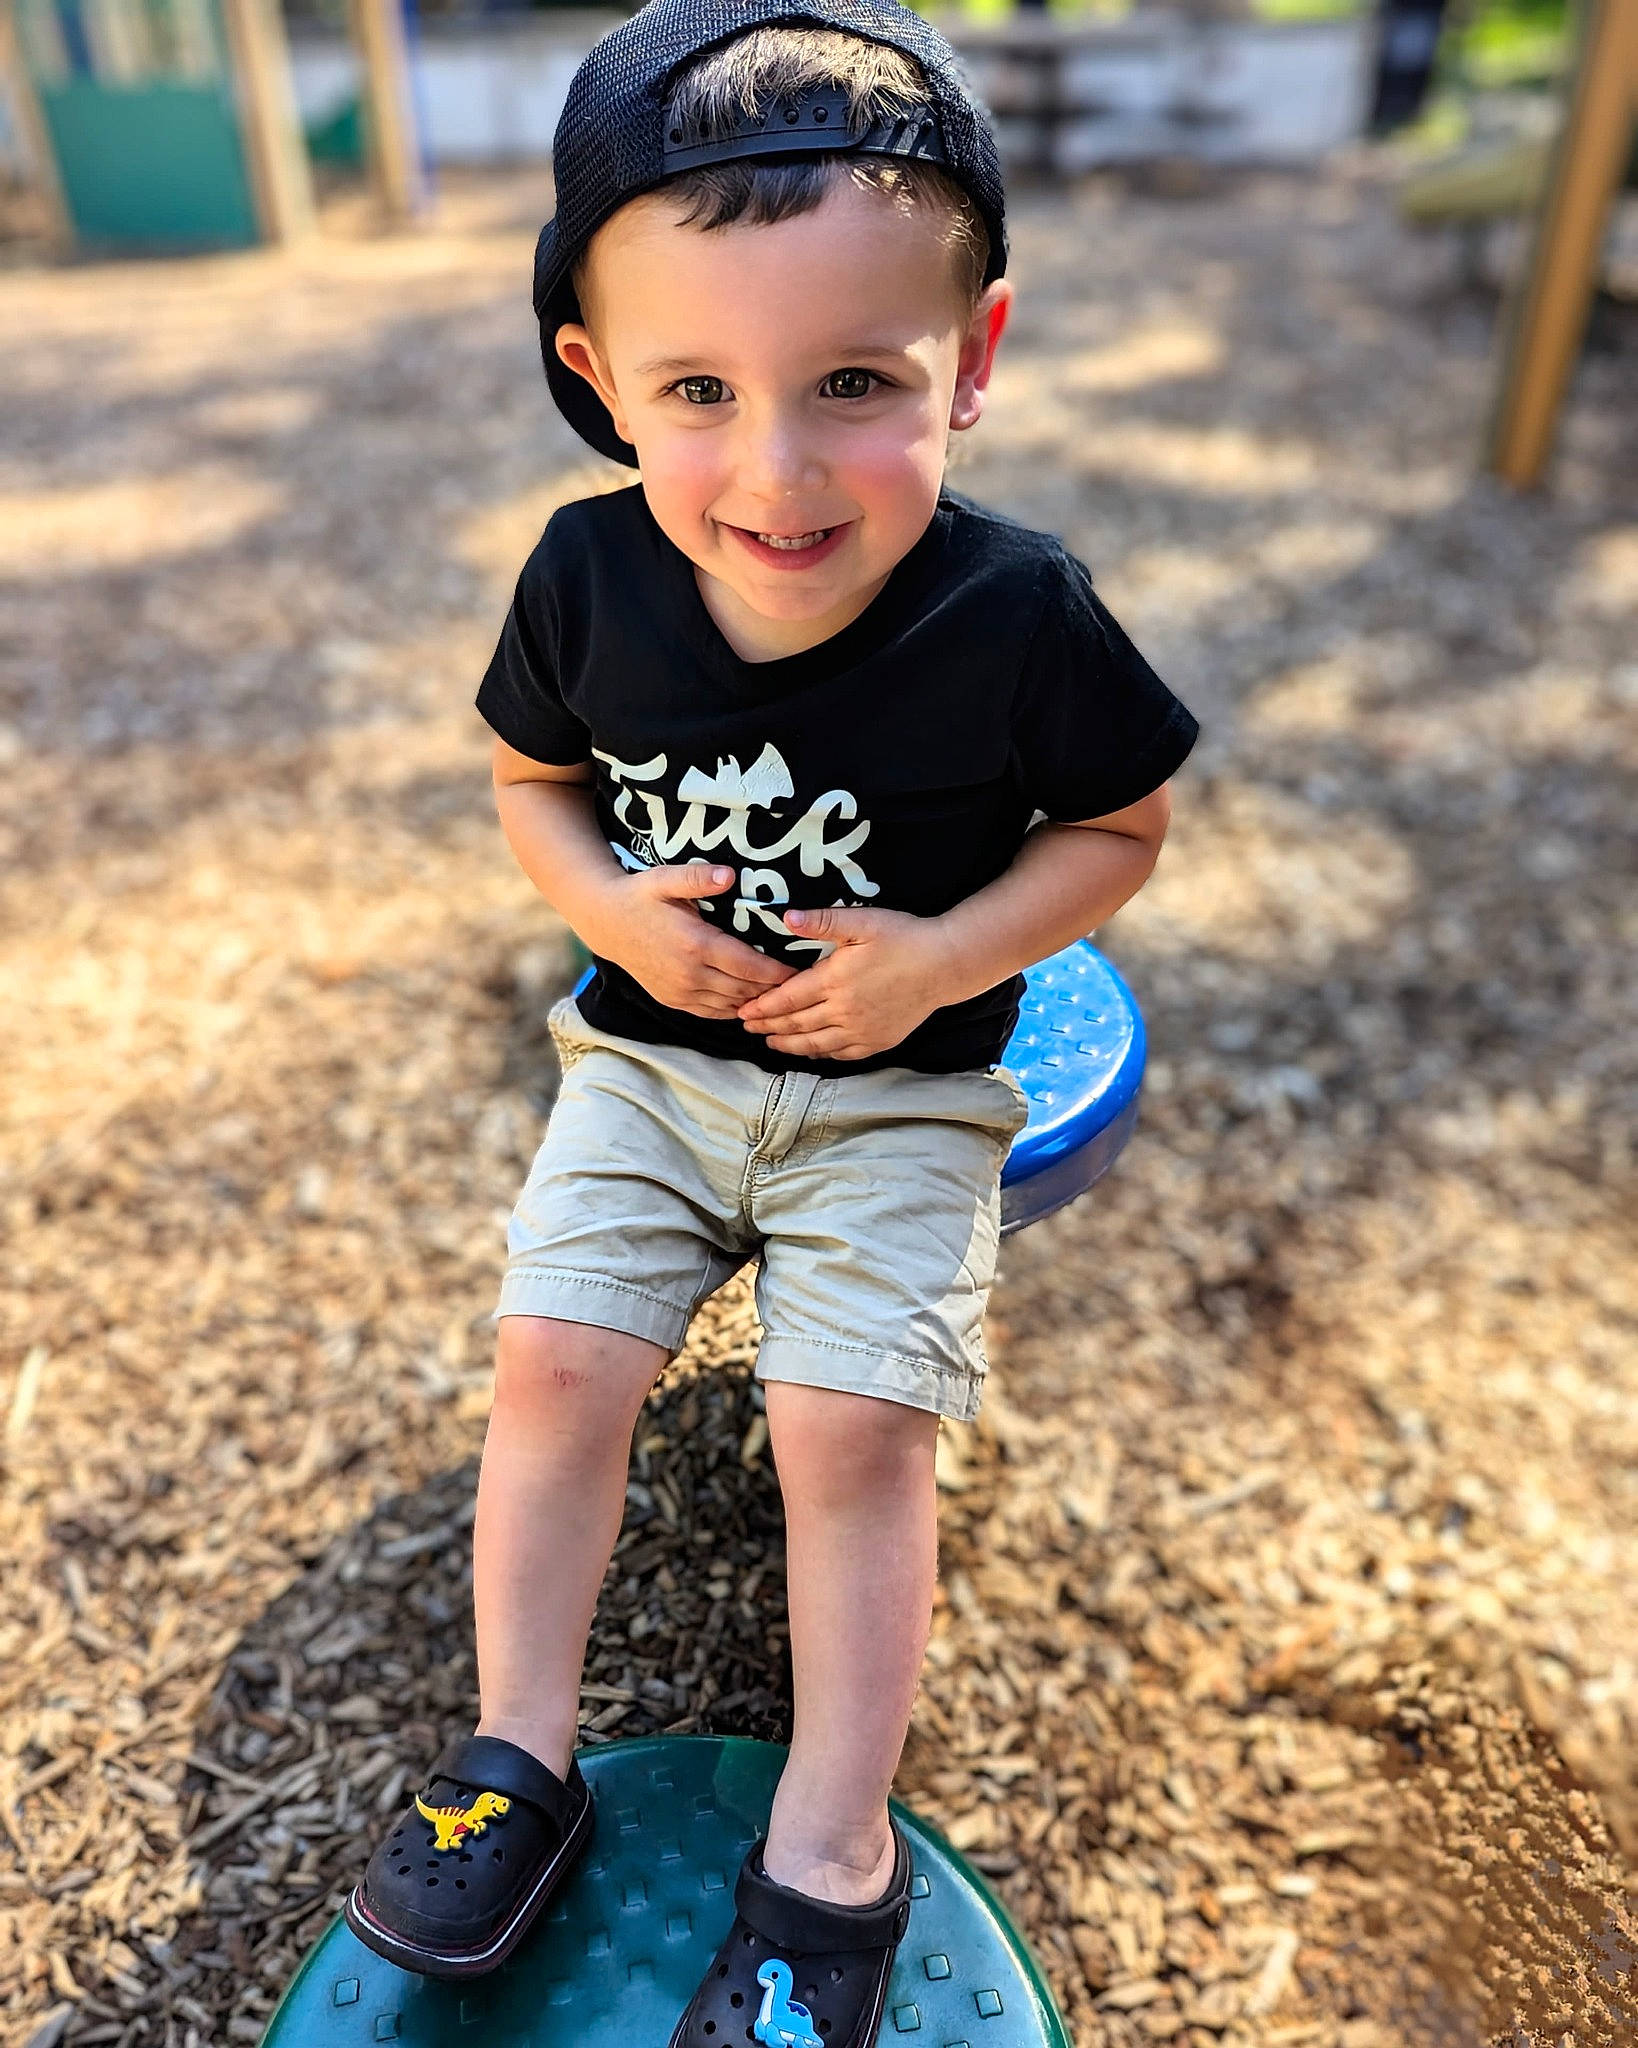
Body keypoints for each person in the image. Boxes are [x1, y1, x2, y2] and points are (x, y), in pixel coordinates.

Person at [346, 4, 1198, 2044]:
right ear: (599, 381)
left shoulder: (1022, 610)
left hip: (900, 1091)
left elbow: (1122, 825)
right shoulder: (583, 577)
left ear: (973, 361)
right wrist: (603, 902)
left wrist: (938, 952)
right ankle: (513, 1751)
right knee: (553, 1361)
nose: (777, 468)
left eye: (855, 385)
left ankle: (834, 1845)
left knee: (847, 1427)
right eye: (700, 390)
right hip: (654, 1063)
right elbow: (529, 782)